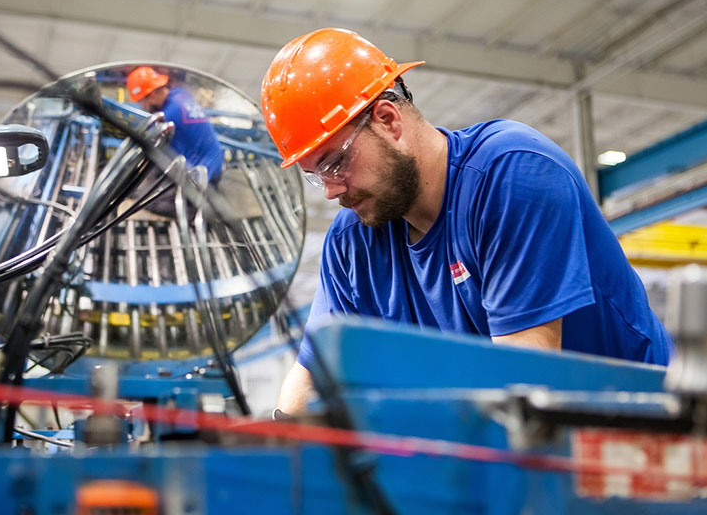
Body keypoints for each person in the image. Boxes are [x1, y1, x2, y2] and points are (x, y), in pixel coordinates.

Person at [260, 28, 673, 415]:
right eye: (317, 175)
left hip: (640, 434)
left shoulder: (512, 174)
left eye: (335, 162)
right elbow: (313, 376)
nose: (331, 190)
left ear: (388, 121)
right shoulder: (353, 242)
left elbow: (525, 378)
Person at [126, 66, 223, 215]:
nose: (142, 106)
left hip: (202, 176)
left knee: (145, 201)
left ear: (151, 96)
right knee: (155, 172)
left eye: (141, 101)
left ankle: (200, 213)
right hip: (214, 164)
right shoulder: (180, 95)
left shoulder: (167, 119)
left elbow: (150, 150)